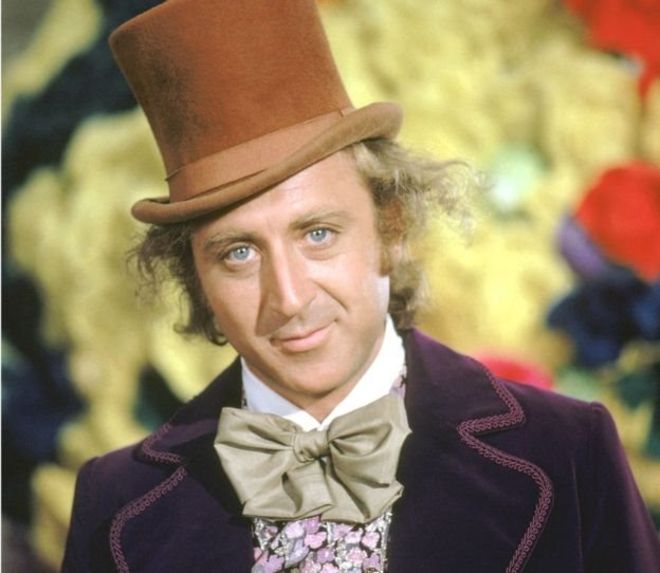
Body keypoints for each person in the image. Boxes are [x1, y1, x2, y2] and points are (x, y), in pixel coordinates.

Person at [62, 1, 660, 571]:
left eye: (317, 234)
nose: (289, 298)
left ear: (390, 227)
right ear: (196, 276)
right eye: (238, 253)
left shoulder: (564, 452)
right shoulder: (116, 504)